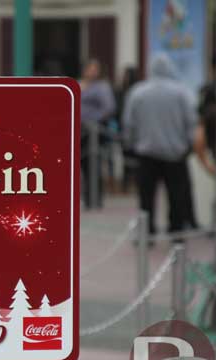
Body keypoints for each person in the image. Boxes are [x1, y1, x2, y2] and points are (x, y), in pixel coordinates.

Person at [122, 54, 198, 236]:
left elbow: (129, 123)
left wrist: (130, 145)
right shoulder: (181, 92)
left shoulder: (138, 92)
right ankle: (176, 232)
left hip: (146, 154)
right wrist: (189, 144)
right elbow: (191, 122)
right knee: (176, 196)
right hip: (175, 154)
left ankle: (148, 233)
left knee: (146, 197)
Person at [80, 59, 116, 208]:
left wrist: (93, 120)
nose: (93, 72)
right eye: (90, 68)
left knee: (93, 165)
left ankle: (94, 199)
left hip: (93, 131)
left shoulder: (102, 87)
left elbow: (109, 107)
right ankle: (84, 197)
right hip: (78, 130)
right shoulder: (78, 84)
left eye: (95, 69)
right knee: (81, 165)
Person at [116, 67, 140, 193]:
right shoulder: (120, 92)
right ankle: (125, 185)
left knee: (136, 161)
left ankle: (136, 184)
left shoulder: (137, 92)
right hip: (123, 130)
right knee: (126, 160)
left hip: (135, 132)